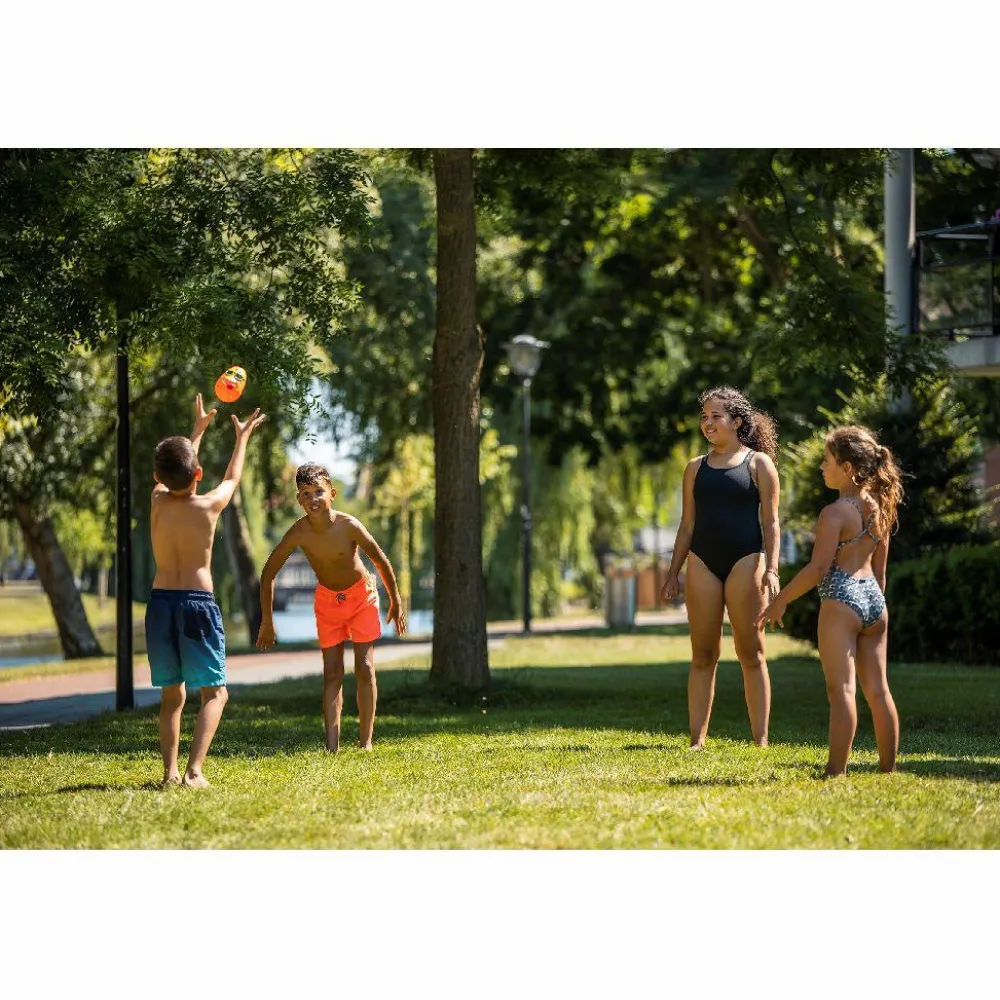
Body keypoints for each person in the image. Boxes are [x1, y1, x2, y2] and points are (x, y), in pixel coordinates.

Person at [757, 425, 903, 778]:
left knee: (842, 690)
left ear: (847, 468)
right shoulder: (881, 507)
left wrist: (781, 600)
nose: (822, 467)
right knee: (878, 690)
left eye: (827, 460)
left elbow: (819, 568)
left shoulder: (834, 513)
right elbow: (880, 572)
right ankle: (888, 769)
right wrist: (875, 604)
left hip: (841, 599)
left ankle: (836, 771)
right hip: (874, 599)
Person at [146, 394, 266, 788]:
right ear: (198, 473)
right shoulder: (209, 506)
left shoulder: (157, 501)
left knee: (172, 695)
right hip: (197, 605)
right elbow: (232, 478)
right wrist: (242, 438)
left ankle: (169, 774)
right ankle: (194, 772)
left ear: (158, 476)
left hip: (161, 603)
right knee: (215, 694)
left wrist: (196, 432)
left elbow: (178, 471)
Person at [661, 386, 781, 749]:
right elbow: (687, 525)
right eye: (705, 417)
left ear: (737, 421)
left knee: (751, 652)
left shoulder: (759, 464)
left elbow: (771, 522)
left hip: (747, 560)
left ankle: (760, 740)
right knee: (703, 655)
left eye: (716, 416)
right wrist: (673, 573)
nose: (708, 423)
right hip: (702, 562)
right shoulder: (694, 468)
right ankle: (697, 740)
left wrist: (772, 570)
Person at [256, 463, 405, 752]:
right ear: (299, 500)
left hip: (361, 597)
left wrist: (396, 601)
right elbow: (268, 574)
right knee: (332, 672)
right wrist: (267, 621)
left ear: (332, 493)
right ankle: (332, 747)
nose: (313, 499)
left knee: (364, 667)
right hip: (328, 602)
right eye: (306, 494)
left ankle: (365, 743)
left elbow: (380, 560)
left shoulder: (349, 525)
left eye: (319, 492)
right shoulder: (298, 532)